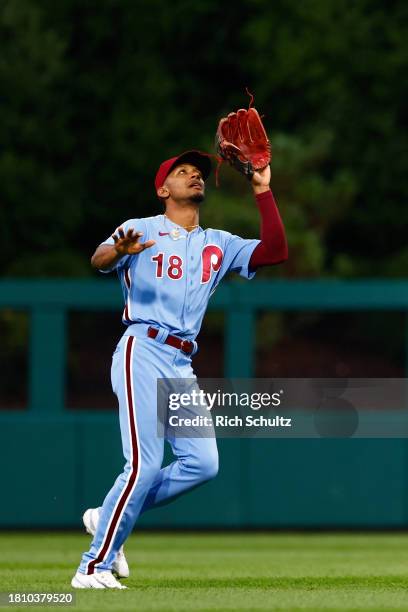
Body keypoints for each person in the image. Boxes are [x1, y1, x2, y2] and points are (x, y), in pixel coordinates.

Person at [71, 150, 288, 589]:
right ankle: (92, 567)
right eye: (183, 172)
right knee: (144, 465)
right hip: (143, 349)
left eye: (199, 173)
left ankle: (107, 513)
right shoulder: (143, 228)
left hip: (180, 361)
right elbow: (97, 259)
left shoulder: (219, 242)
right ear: (163, 189)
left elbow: (275, 251)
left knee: (203, 464)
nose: (195, 177)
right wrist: (118, 249)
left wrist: (262, 190)